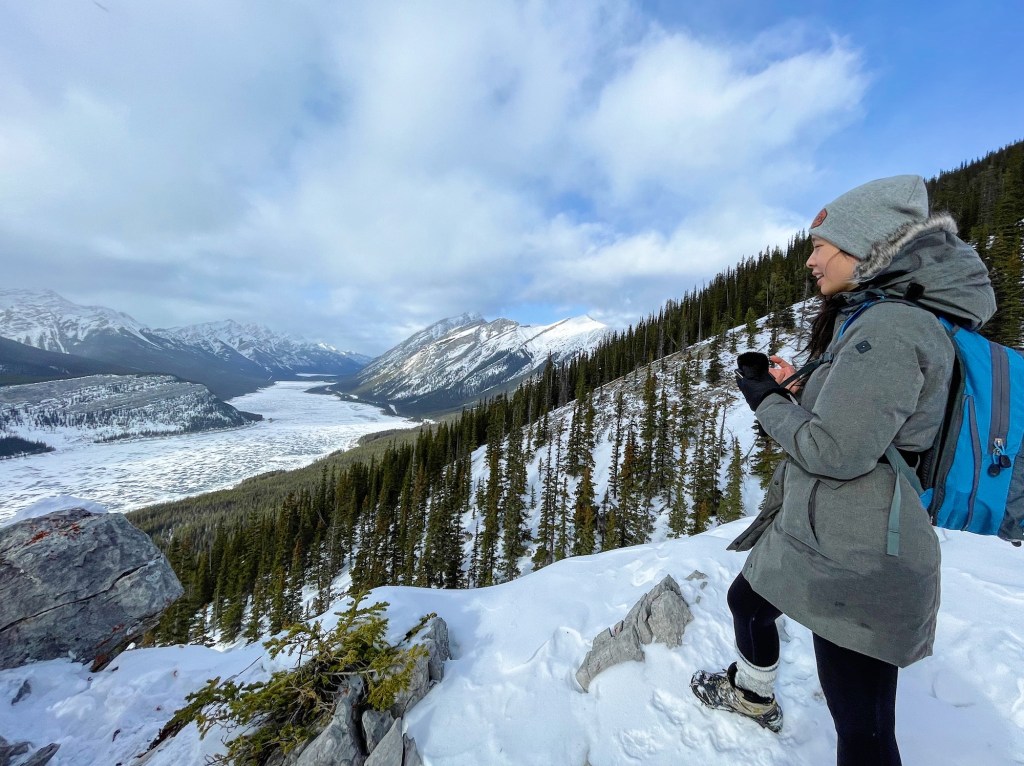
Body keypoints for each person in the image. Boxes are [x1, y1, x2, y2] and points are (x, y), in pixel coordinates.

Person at [690, 175, 997, 765]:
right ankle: (753, 696)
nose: (810, 260)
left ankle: (755, 697)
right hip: (821, 531)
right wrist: (793, 389)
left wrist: (764, 399)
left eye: (820, 246)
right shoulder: (882, 317)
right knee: (748, 601)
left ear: (863, 247)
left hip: (859, 557)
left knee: (865, 733)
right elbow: (862, 424)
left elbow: (837, 453)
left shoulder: (890, 327)